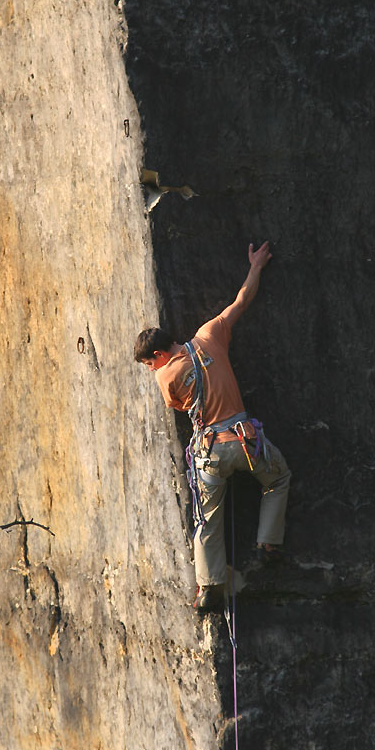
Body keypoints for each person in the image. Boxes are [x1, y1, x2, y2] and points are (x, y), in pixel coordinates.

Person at [134, 242, 291, 611]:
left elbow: (177, 406)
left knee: (207, 521)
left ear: (158, 355)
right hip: (247, 442)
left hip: (211, 453)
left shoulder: (166, 377)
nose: (150, 370)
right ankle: (268, 542)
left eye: (148, 363)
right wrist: (255, 266)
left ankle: (209, 587)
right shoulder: (208, 336)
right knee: (278, 479)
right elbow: (241, 301)